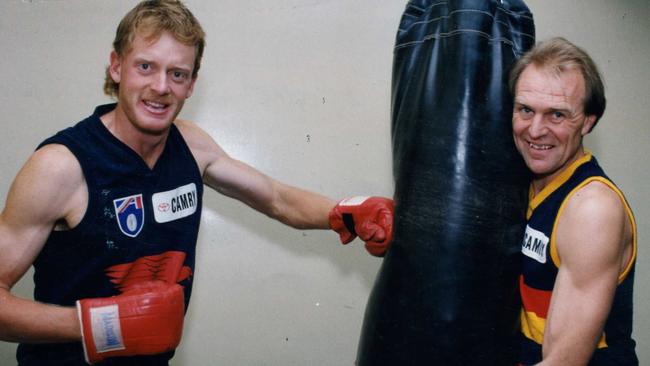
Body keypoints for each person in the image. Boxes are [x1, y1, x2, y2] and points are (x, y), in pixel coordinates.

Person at [0, 1, 394, 365]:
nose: (160, 87)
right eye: (145, 67)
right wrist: (103, 324)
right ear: (116, 66)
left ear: (191, 84)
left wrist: (343, 213)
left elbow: (276, 199)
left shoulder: (190, 145)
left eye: (177, 74)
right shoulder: (62, 166)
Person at [509, 37, 637, 365]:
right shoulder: (520, 184)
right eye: (525, 110)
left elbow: (564, 361)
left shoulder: (590, 209)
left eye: (556, 115)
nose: (535, 130)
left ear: (587, 121)